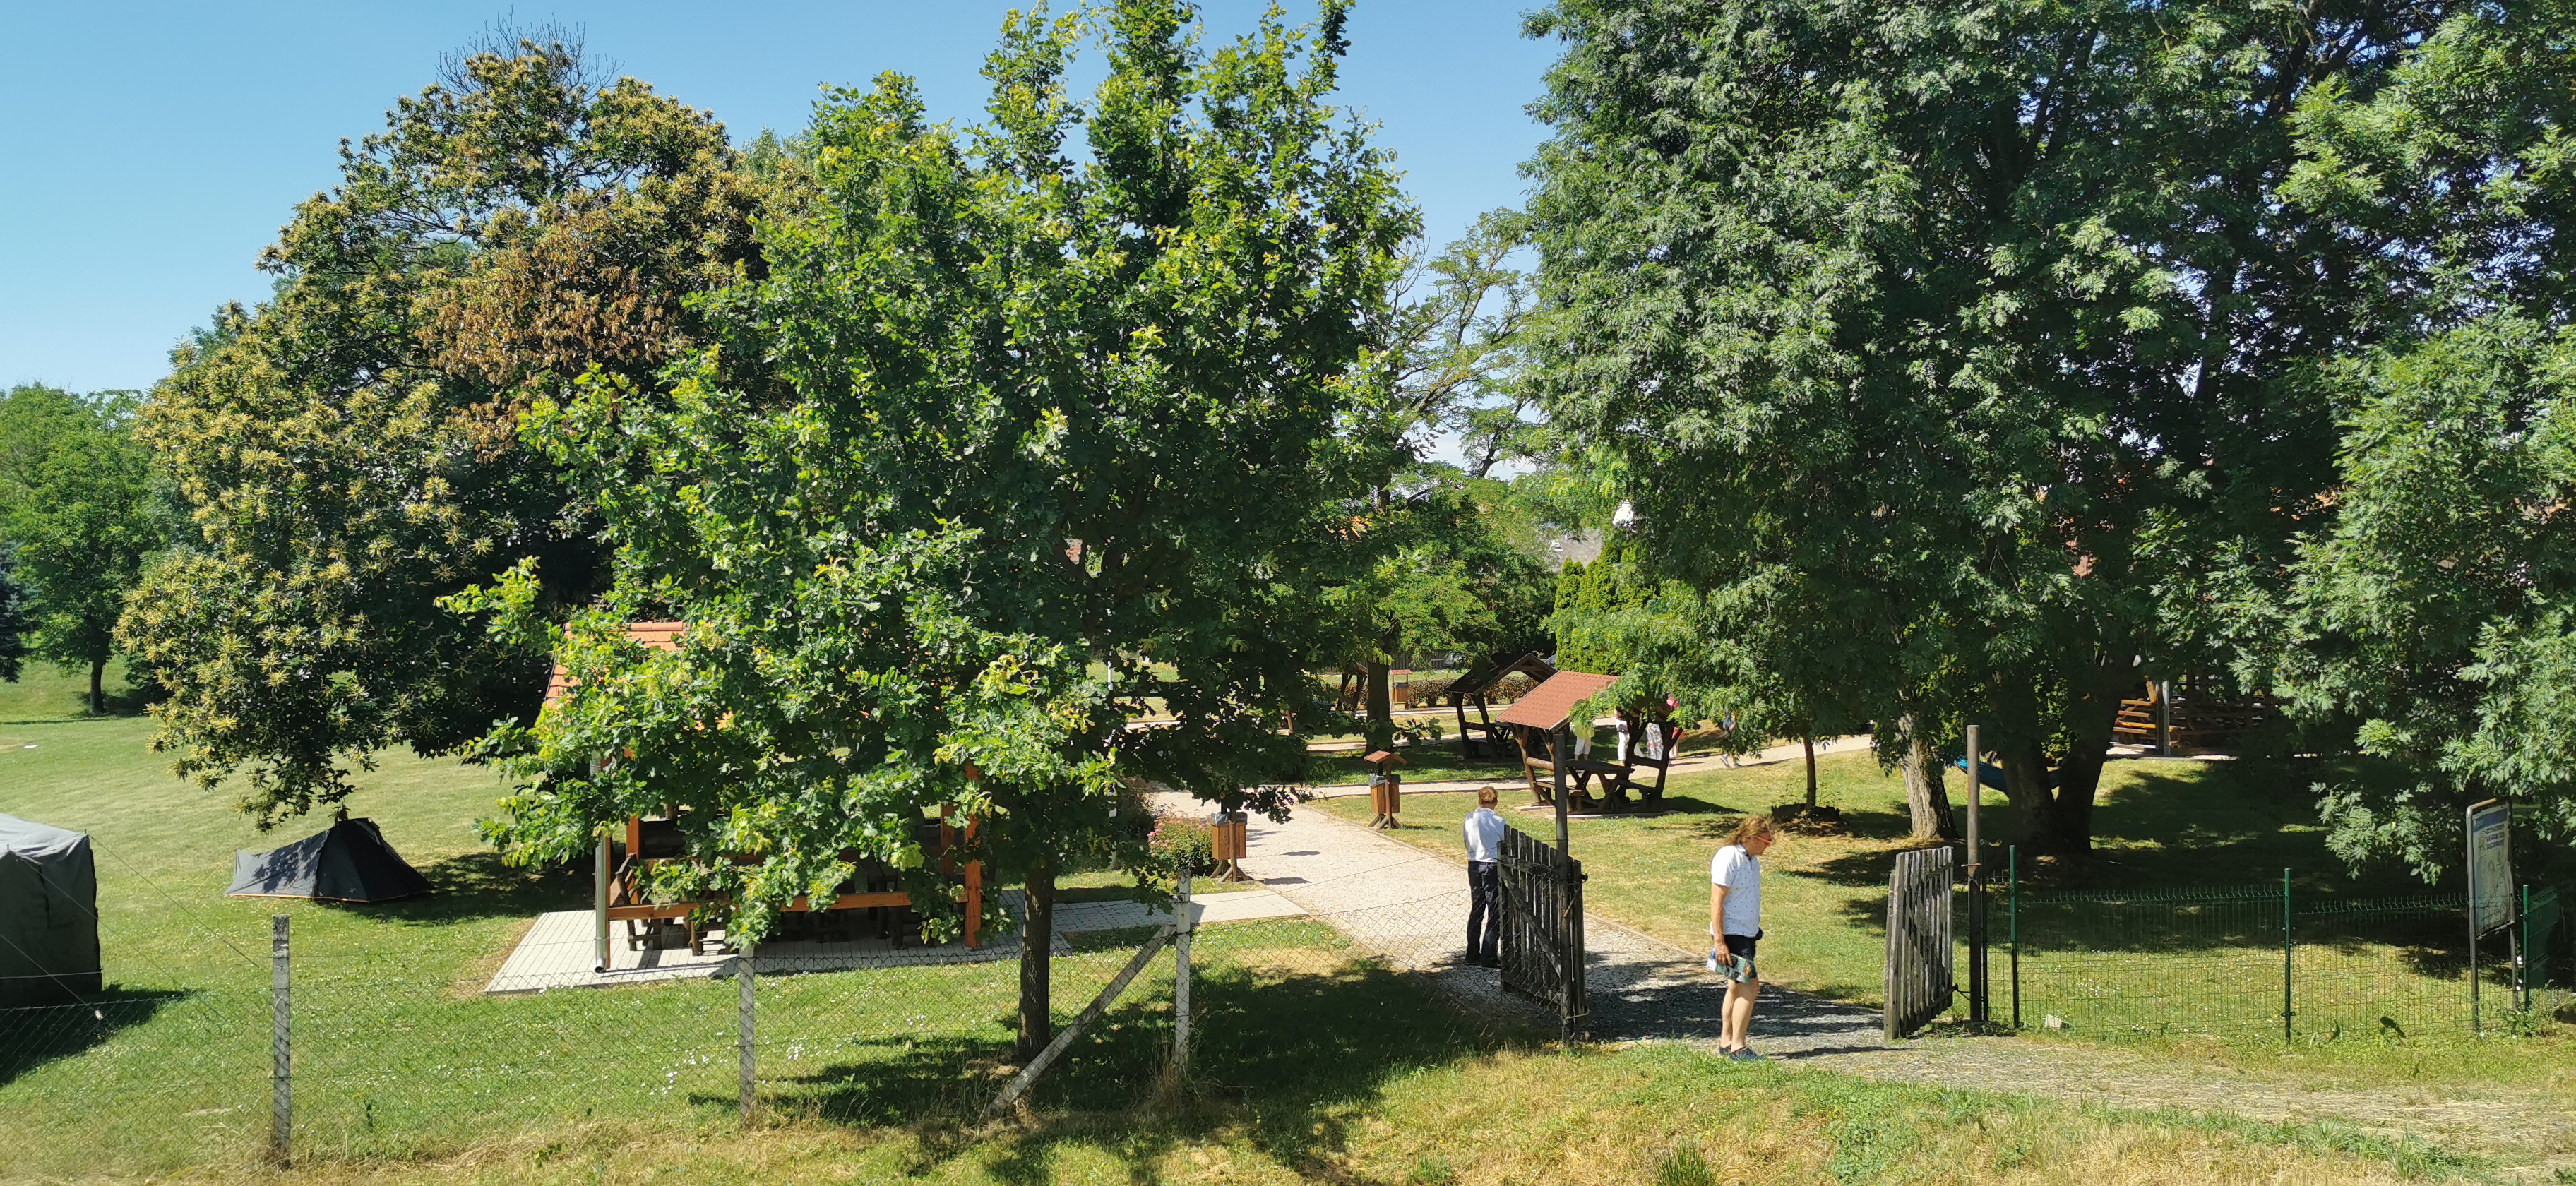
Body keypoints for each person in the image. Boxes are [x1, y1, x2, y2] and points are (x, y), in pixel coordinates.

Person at [1709, 814, 1777, 1060]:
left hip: (1747, 934)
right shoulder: (1729, 857)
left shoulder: (1751, 860)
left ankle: (1727, 1042)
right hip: (1732, 934)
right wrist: (1720, 942)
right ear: (1751, 837)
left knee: (1736, 986)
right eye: (1766, 842)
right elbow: (1716, 901)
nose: (1768, 847)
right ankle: (1739, 1047)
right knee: (1751, 987)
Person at [1462, 786, 1508, 966]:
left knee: (1477, 909)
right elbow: (1505, 844)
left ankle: (1472, 954)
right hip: (1491, 865)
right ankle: (1489, 955)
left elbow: (1466, 841)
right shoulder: (1498, 821)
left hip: (1474, 864)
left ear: (1479, 800)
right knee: (1495, 910)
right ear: (1495, 801)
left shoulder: (1469, 818)